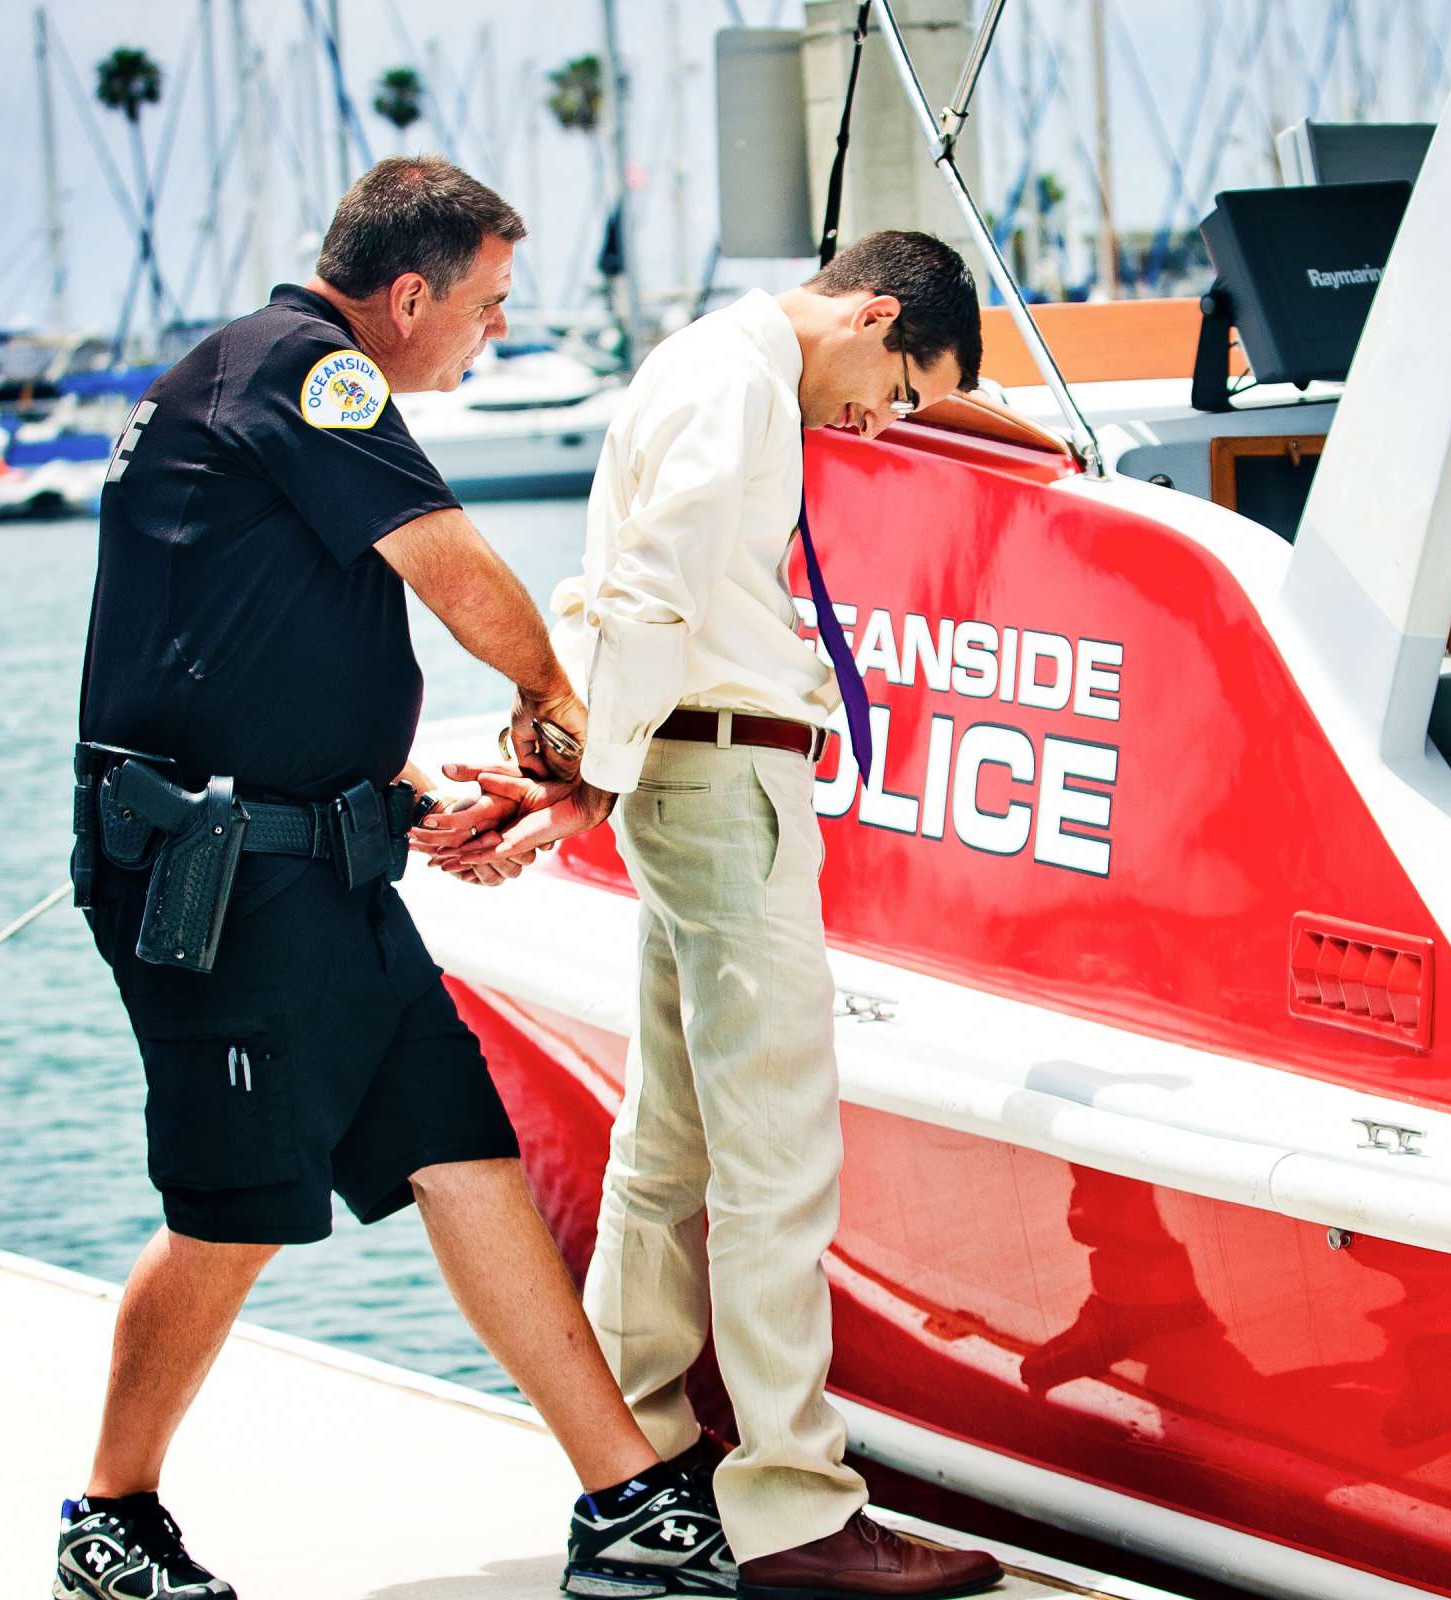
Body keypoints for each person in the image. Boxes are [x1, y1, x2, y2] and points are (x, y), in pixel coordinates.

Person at [60, 156, 734, 1600]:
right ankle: (109, 1520)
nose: (494, 331)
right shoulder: (311, 374)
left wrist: (392, 796)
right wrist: (557, 690)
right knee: (233, 1209)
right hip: (222, 884)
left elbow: (247, 649)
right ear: (409, 292)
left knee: (460, 1146)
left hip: (310, 866)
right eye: (487, 305)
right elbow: (449, 566)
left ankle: (624, 1502)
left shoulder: (252, 377)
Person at [436, 234, 1004, 1600]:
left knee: (672, 1143)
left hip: (688, 774)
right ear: (872, 314)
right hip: (720, 779)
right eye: (901, 388)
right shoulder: (735, 383)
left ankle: (645, 1460)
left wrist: (598, 779)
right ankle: (795, 1505)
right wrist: (589, 781)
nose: (884, 422)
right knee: (777, 1155)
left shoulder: (719, 366)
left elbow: (641, 591)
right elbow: (649, 593)